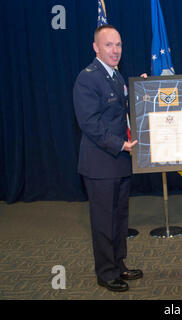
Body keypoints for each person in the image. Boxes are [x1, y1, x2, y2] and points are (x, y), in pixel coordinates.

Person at [73, 25, 142, 292]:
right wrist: (120, 144)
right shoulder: (87, 78)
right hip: (100, 163)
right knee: (103, 221)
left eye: (118, 45)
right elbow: (89, 123)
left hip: (120, 161)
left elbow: (122, 112)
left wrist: (144, 91)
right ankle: (106, 272)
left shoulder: (116, 77)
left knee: (120, 219)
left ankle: (118, 264)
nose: (115, 50)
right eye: (109, 45)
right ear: (96, 48)